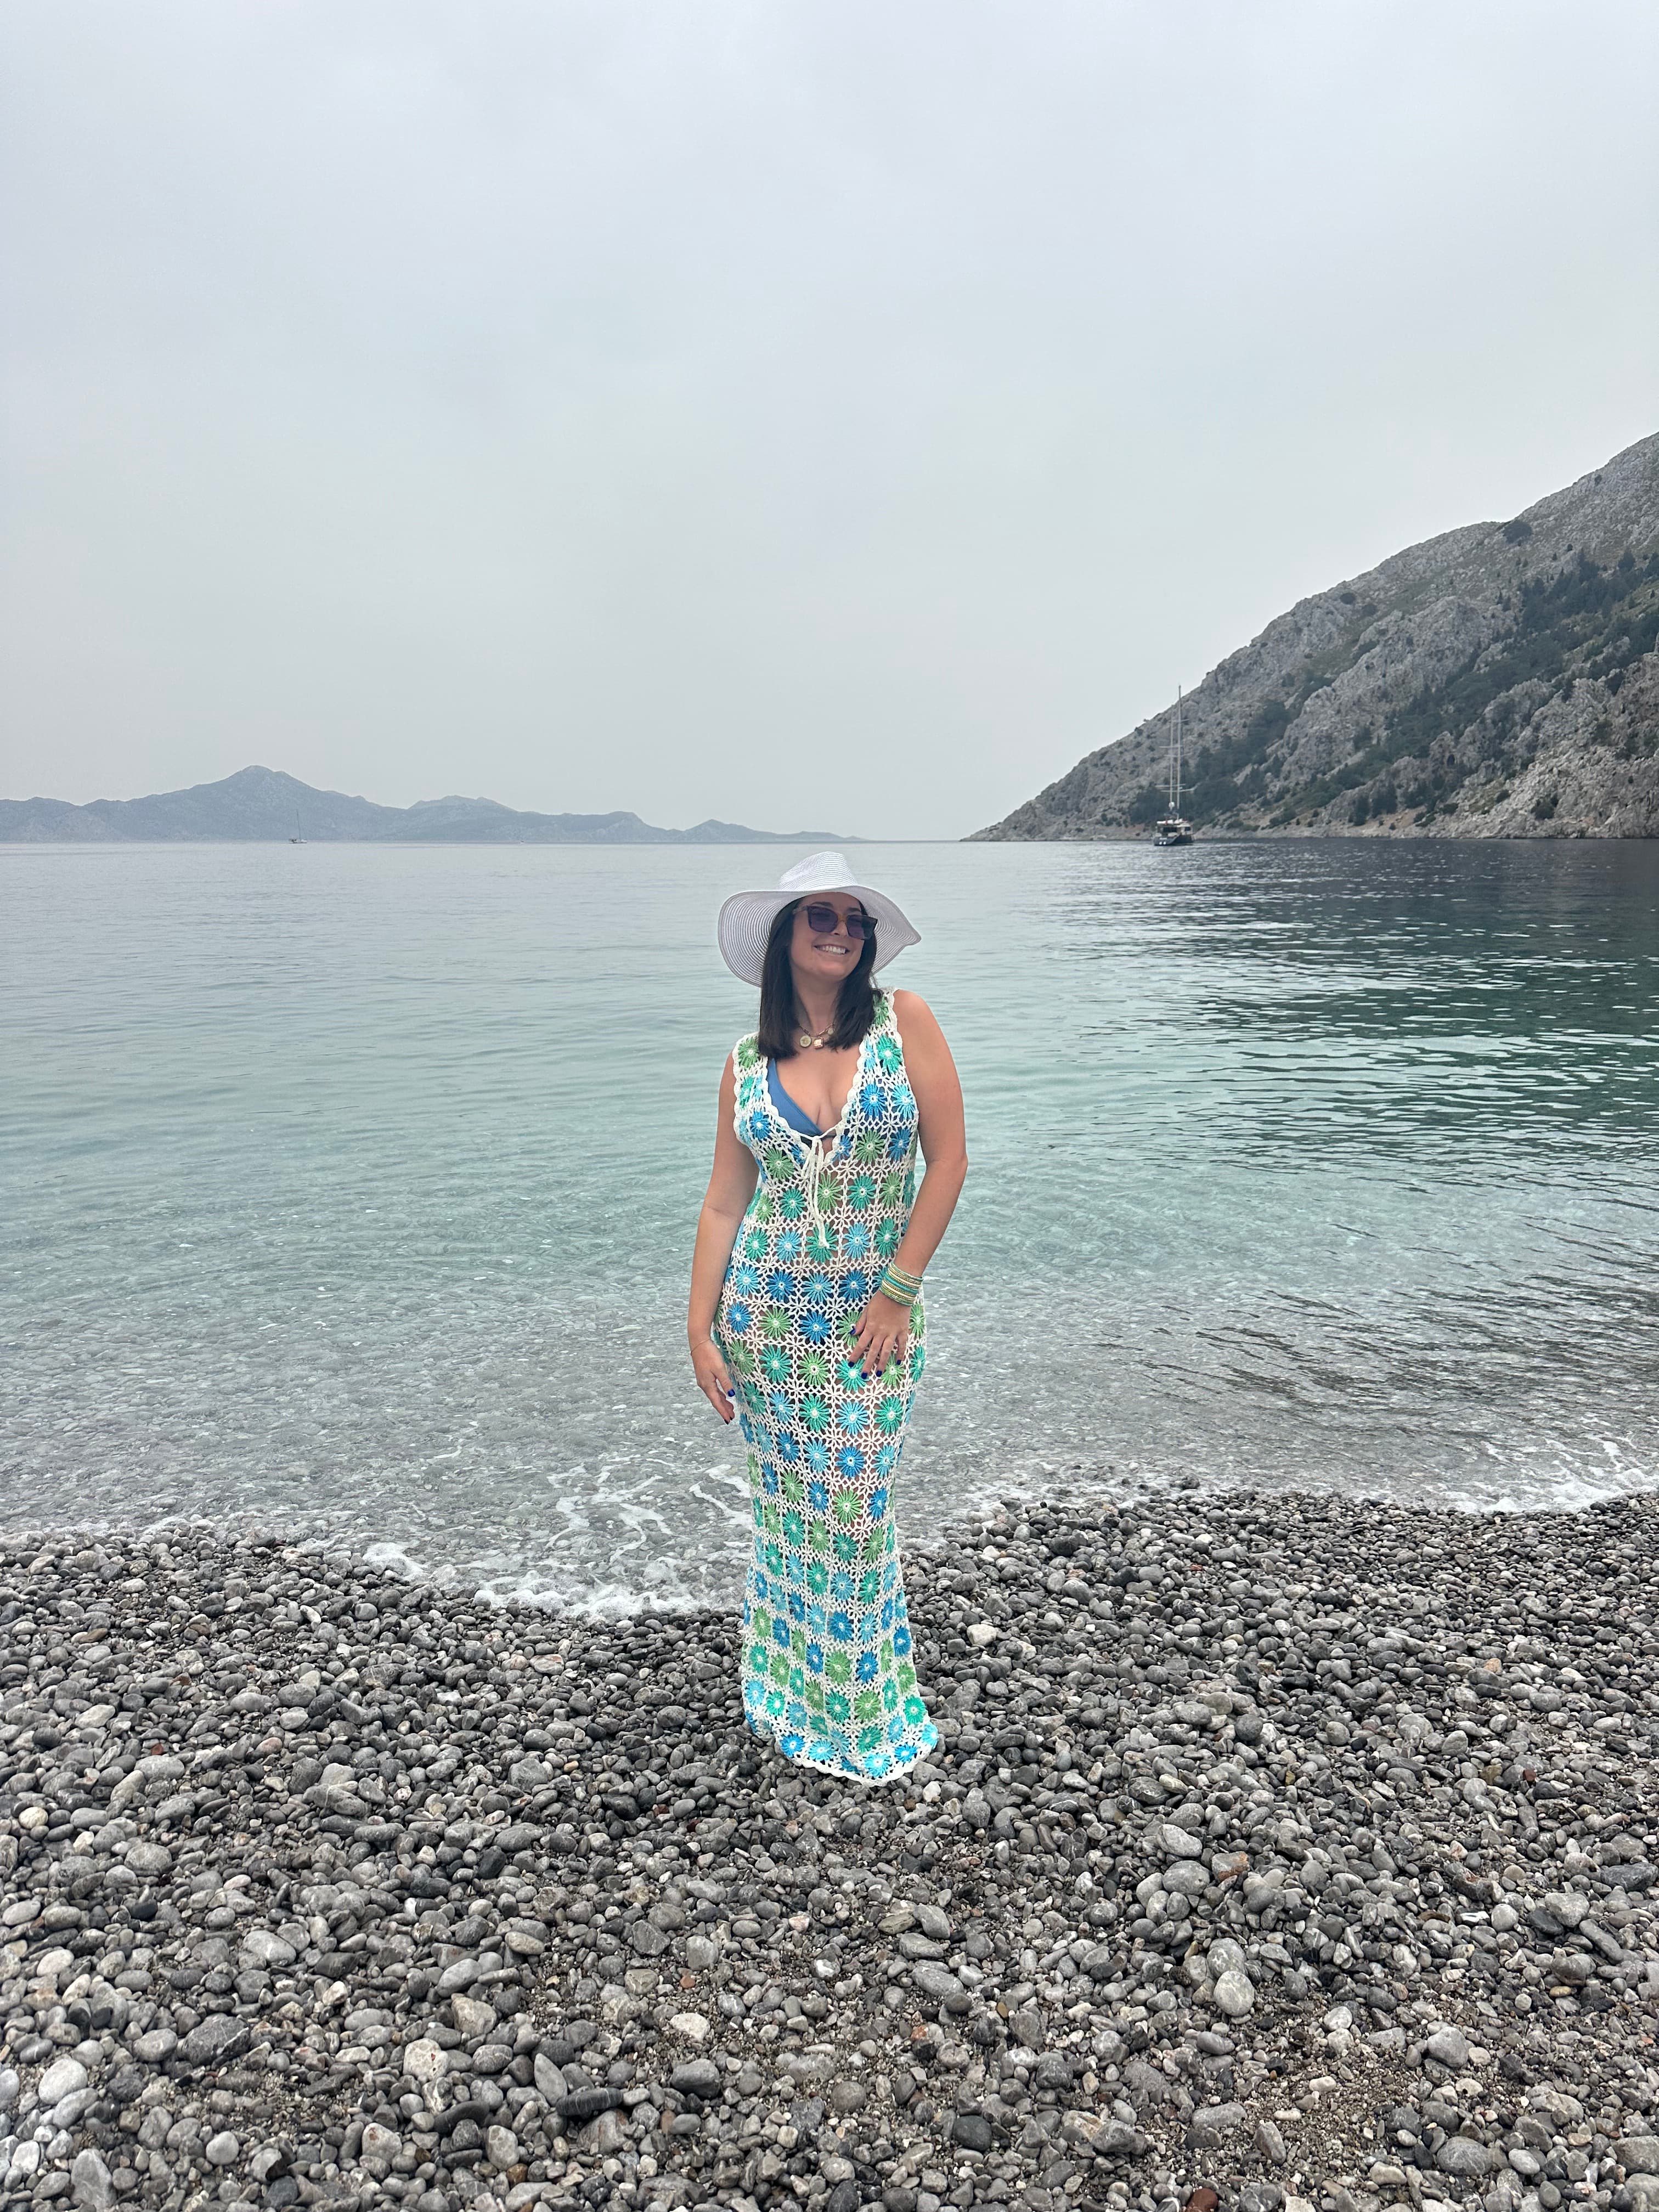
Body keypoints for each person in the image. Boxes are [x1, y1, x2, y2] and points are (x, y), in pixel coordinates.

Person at [688, 853, 968, 1783]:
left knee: (853, 1510)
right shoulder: (744, 1064)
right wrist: (698, 1327)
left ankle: (860, 1713)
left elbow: (951, 1163)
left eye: (855, 920)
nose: (842, 932)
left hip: (870, 1324)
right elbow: (726, 1204)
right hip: (765, 1324)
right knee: (790, 1514)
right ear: (785, 937)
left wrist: (900, 1289)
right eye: (820, 917)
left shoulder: (904, 1022)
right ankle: (784, 1692)